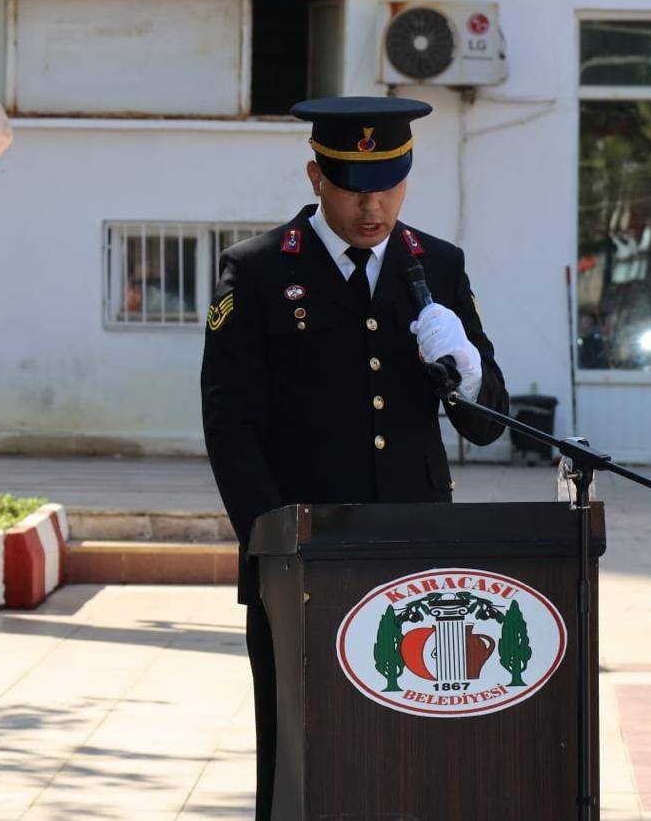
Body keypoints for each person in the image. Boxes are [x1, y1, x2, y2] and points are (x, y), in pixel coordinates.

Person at [200, 95, 509, 820]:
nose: (374, 208)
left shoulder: (436, 264)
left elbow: (487, 421)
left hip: (418, 547)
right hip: (302, 555)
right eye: (354, 188)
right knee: (302, 753)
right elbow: (230, 423)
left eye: (391, 185)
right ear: (316, 177)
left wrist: (464, 367)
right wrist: (274, 544)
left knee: (418, 744)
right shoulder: (258, 272)